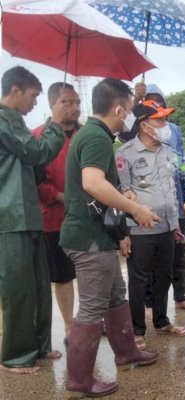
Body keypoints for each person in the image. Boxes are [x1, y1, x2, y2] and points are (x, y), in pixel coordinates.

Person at [60, 78, 160, 397]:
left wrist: (120, 192)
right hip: (88, 239)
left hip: (97, 235)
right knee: (91, 308)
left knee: (116, 294)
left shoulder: (95, 135)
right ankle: (79, 379)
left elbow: (99, 187)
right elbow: (91, 183)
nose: (132, 115)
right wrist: (135, 208)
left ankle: (127, 351)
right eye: (130, 109)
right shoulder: (97, 138)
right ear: (119, 108)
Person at [0, 66, 66, 374]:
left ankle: (38, 346)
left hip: (27, 214)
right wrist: (54, 123)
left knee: (39, 285)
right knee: (18, 289)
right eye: (32, 96)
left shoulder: (16, 121)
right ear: (15, 90)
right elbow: (37, 151)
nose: (33, 103)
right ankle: (14, 356)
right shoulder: (2, 120)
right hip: (10, 216)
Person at [116, 100, 185, 351]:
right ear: (143, 124)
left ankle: (161, 321)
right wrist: (124, 233)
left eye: (165, 119)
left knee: (164, 277)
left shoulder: (169, 151)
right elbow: (123, 195)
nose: (164, 125)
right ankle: (137, 330)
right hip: (140, 231)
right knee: (138, 281)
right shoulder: (125, 154)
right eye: (159, 120)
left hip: (167, 228)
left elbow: (171, 190)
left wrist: (174, 224)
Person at [138, 83, 185, 313]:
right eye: (149, 102)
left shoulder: (173, 130)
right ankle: (147, 303)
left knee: (179, 254)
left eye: (159, 102)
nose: (156, 106)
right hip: (148, 205)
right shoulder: (136, 129)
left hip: (174, 204)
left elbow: (183, 163)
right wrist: (134, 99)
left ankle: (180, 297)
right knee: (149, 259)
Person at [32, 82, 81, 346]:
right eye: (67, 102)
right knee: (63, 275)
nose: (74, 108)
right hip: (54, 220)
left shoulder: (87, 134)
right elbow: (37, 181)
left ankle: (91, 320)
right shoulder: (37, 137)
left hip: (87, 218)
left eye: (76, 102)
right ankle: (70, 326)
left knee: (91, 271)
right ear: (52, 104)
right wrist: (61, 197)